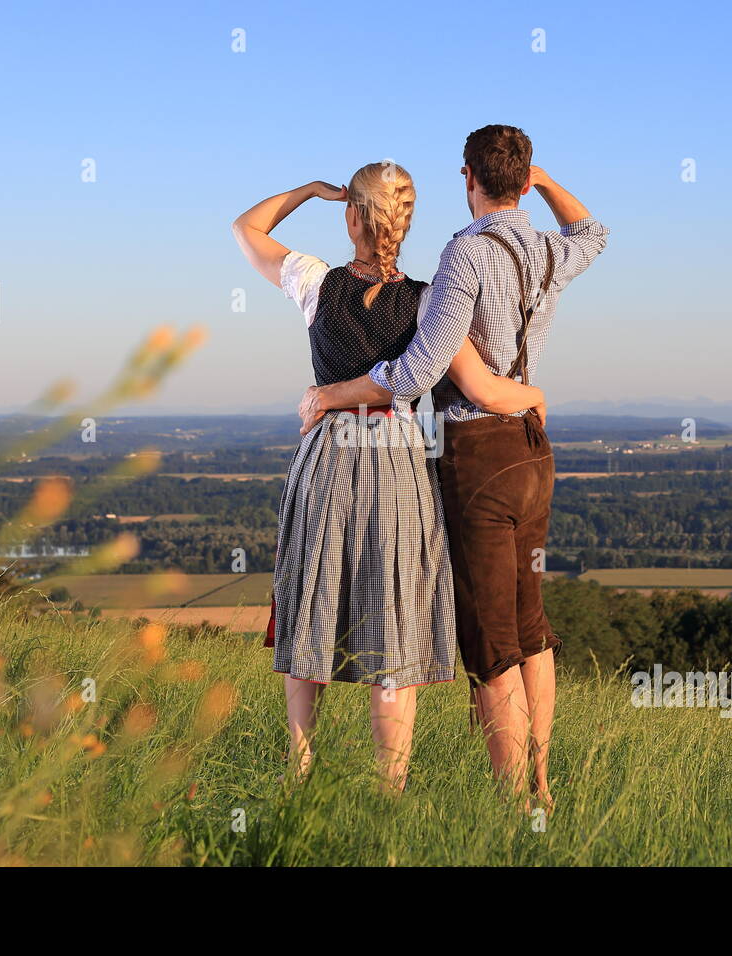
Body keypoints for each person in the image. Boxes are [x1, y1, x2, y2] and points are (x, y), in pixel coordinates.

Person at [298, 127, 608, 806]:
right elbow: (594, 233)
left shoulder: (464, 254)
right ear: (523, 181)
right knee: (533, 630)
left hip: (479, 455)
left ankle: (515, 807)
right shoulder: (550, 251)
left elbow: (421, 369)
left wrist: (338, 392)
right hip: (533, 450)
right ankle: (543, 780)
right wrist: (545, 183)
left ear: (467, 175)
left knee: (493, 645)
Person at [231, 161, 546, 791]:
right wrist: (534, 396)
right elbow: (479, 385)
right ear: (406, 222)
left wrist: (308, 191)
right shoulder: (435, 302)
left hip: (326, 455)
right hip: (400, 457)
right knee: (395, 624)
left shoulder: (316, 282)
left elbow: (246, 228)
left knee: (311, 607)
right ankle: (388, 788)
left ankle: (299, 770)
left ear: (352, 216)